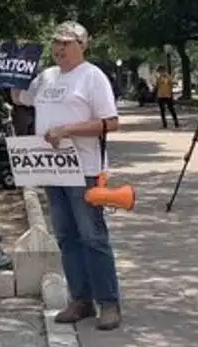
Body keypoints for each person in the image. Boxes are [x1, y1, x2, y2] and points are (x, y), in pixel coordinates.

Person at [13, 22, 124, 330]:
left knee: (92, 235)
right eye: (55, 43)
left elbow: (110, 122)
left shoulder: (92, 77)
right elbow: (20, 97)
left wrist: (68, 130)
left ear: (82, 45)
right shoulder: (47, 77)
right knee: (65, 235)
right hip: (52, 168)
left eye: (66, 43)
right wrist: (14, 69)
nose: (59, 48)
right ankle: (80, 299)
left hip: (84, 169)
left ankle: (109, 301)